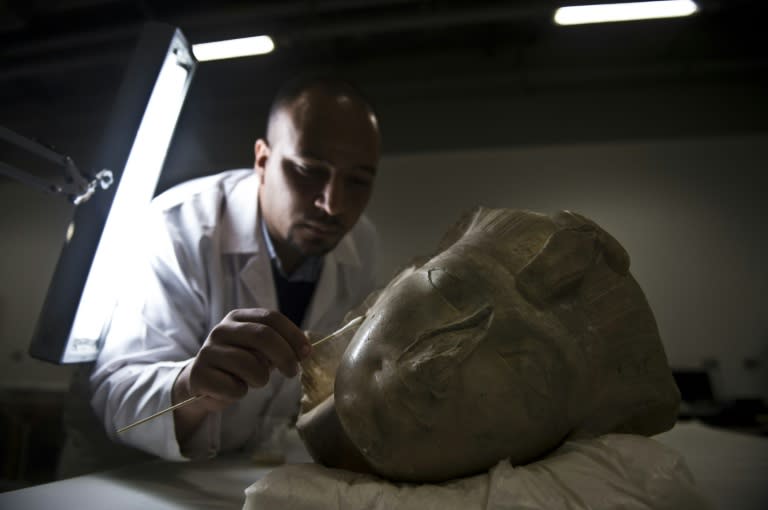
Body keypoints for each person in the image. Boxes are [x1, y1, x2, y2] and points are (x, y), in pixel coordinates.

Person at [87, 75, 382, 462]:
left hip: (245, 473)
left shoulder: (360, 242)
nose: (333, 204)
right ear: (262, 161)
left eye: (358, 181)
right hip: (129, 478)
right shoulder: (178, 227)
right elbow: (117, 398)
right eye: (310, 170)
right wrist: (190, 385)